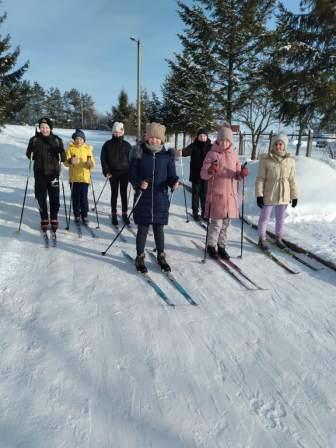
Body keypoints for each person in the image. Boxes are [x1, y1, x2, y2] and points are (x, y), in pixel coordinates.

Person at [129, 122, 179, 273]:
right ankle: (139, 256)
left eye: (157, 138)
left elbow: (171, 175)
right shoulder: (139, 153)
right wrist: (139, 183)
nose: (154, 140)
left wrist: (174, 182)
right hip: (143, 198)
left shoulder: (167, 156)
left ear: (162, 140)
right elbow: (132, 174)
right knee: (142, 228)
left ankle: (161, 256)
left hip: (160, 198)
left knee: (159, 229)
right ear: (147, 137)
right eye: (151, 137)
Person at [200, 124, 248, 259]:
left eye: (227, 140)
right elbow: (203, 174)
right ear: (218, 140)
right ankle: (211, 246)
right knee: (216, 224)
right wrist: (210, 170)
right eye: (222, 140)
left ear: (230, 141)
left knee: (226, 225)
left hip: (230, 196)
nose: (224, 143)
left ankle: (221, 246)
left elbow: (237, 174)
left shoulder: (234, 155)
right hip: (217, 196)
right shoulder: (212, 153)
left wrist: (241, 174)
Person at [255, 131, 298, 251]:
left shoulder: (290, 161)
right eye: (276, 144)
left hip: (284, 194)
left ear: (284, 145)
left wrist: (294, 196)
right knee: (264, 218)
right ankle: (262, 238)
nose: (278, 146)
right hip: (269, 193)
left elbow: (292, 180)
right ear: (272, 145)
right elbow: (260, 178)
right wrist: (259, 195)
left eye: (281, 144)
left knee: (280, 219)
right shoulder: (266, 159)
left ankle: (278, 238)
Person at [26, 117, 66, 233]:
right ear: (39, 128)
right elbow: (29, 155)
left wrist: (60, 151)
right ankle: (44, 218)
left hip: (53, 173)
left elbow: (63, 158)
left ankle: (54, 218)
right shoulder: (34, 140)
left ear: (50, 128)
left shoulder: (57, 140)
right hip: (39, 173)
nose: (44, 129)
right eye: (42, 127)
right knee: (40, 199)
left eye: (46, 127)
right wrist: (31, 150)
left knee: (55, 198)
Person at [100, 122, 132, 226]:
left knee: (123, 194)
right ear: (112, 133)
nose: (117, 134)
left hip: (125, 173)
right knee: (114, 194)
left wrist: (132, 172)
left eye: (119, 132)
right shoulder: (107, 144)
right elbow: (103, 159)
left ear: (122, 132)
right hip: (113, 173)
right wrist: (106, 171)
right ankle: (114, 214)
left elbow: (132, 160)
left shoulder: (127, 145)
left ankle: (124, 214)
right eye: (115, 132)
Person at [178, 128, 211, 221]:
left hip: (206, 175)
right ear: (198, 137)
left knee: (204, 195)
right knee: (195, 195)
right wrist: (182, 152)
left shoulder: (210, 146)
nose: (202, 137)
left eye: (204, 136)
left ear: (207, 137)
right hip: (196, 175)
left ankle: (205, 213)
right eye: (200, 136)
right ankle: (195, 213)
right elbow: (187, 151)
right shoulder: (194, 145)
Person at [64, 129, 96, 224]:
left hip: (84, 178)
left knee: (83, 197)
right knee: (75, 197)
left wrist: (90, 164)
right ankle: (77, 215)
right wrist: (70, 161)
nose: (79, 141)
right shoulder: (70, 148)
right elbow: (65, 162)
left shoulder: (87, 149)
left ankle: (85, 215)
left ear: (84, 140)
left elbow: (92, 163)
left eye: (81, 139)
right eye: (77, 139)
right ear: (74, 139)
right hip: (73, 178)